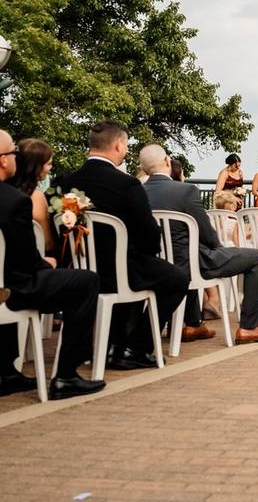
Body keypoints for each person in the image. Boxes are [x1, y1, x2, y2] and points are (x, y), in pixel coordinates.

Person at [59, 120, 189, 370]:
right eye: (127, 145)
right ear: (118, 145)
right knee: (176, 279)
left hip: (79, 268)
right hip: (119, 271)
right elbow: (150, 235)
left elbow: (67, 226)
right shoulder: (127, 184)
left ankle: (112, 343)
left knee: (140, 269)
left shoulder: (66, 182)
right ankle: (134, 348)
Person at [0, 129, 105, 400]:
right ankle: (67, 375)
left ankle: (5, 372)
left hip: (7, 282)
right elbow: (25, 262)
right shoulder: (14, 202)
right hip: (12, 288)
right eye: (12, 152)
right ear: (3, 160)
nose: (16, 157)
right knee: (85, 281)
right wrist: (50, 266)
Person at [140, 145, 258, 344]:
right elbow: (207, 234)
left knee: (184, 256)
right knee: (256, 257)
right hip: (193, 262)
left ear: (144, 169)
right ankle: (249, 327)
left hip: (159, 264)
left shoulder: (137, 192)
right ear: (166, 162)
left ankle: (192, 325)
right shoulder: (186, 190)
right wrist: (219, 248)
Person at [8, 138, 55, 254]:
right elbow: (47, 244)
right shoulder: (35, 196)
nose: (51, 168)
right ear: (37, 166)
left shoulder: (7, 190)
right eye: (48, 164)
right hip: (34, 260)